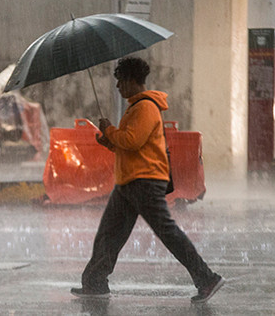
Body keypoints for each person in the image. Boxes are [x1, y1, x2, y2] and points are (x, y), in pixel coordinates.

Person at [71, 57, 224, 303]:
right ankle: (95, 282)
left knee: (167, 232)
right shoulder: (136, 107)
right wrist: (109, 141)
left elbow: (132, 141)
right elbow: (130, 147)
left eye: (120, 81)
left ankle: (206, 278)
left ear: (132, 81)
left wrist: (110, 130)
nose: (118, 86)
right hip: (129, 182)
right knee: (109, 234)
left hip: (144, 182)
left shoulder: (145, 108)